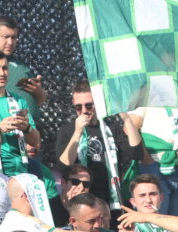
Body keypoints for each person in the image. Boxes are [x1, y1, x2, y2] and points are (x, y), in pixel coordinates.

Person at [55, 81, 143, 212]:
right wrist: (78, 132)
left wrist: (127, 120)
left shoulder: (111, 128)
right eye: (78, 107)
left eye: (89, 105)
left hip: (110, 197)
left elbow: (136, 153)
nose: (84, 111)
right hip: (81, 195)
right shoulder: (68, 130)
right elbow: (63, 166)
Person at [118, 107, 178, 218]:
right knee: (156, 216)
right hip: (155, 164)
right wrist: (146, 158)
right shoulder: (146, 102)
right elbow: (129, 128)